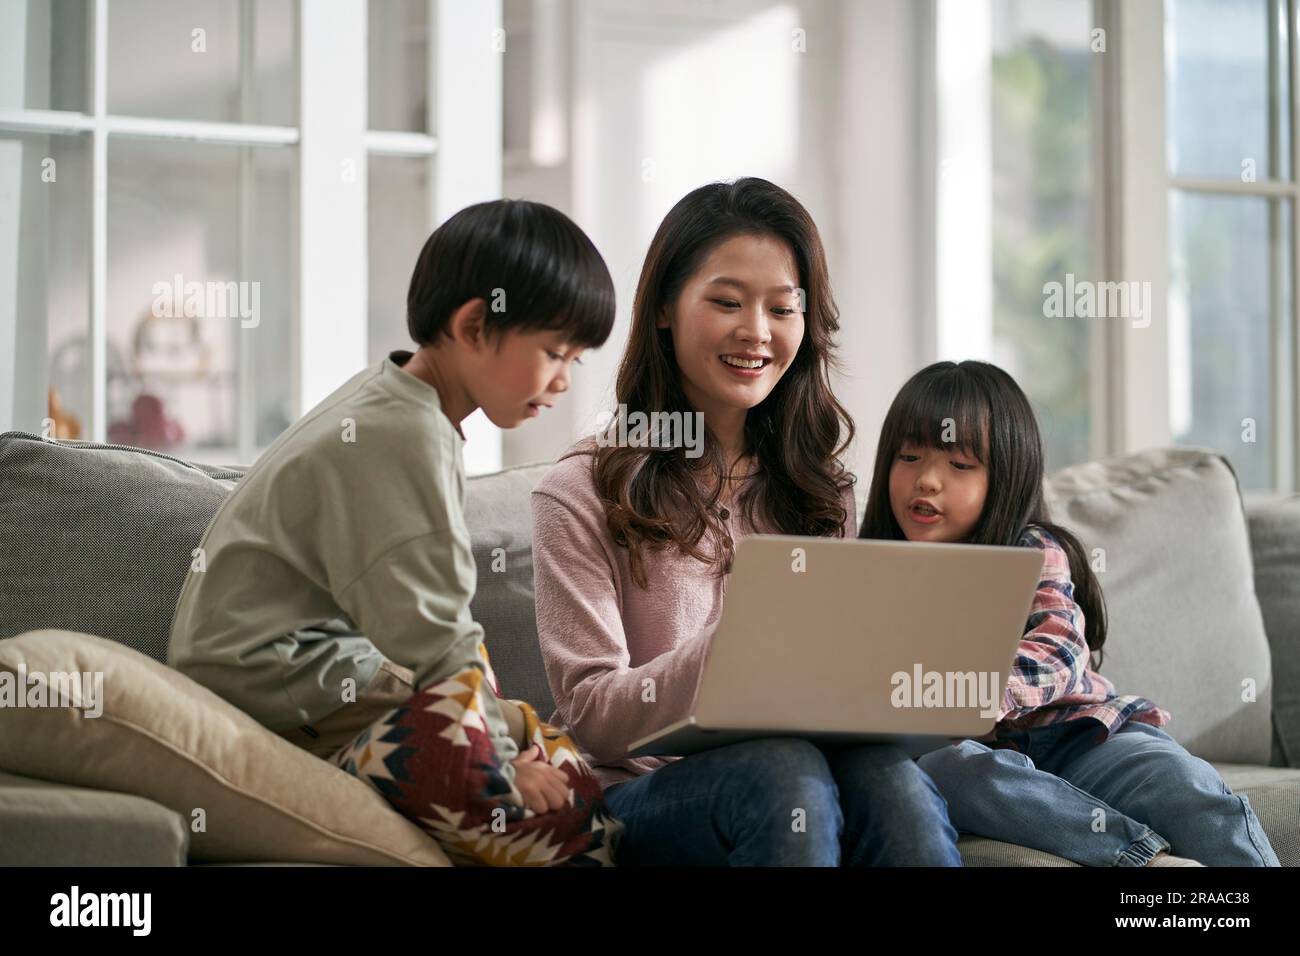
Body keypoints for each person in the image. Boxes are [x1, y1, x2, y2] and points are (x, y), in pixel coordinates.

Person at [169, 199, 623, 865]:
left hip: (321, 687)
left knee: (560, 760)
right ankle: (385, 765)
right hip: (276, 701)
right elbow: (436, 637)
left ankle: (447, 756)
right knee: (577, 817)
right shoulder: (401, 434)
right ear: (473, 325)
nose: (561, 381)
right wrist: (500, 764)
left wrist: (508, 734)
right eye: (554, 352)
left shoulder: (398, 402)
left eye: (575, 360)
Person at [531, 177, 963, 866]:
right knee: (780, 770)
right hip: (642, 794)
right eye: (727, 302)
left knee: (892, 781)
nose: (756, 333)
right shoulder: (581, 489)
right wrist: (737, 649)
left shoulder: (823, 491)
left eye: (782, 308)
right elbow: (592, 717)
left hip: (803, 770)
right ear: (666, 309)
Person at [860, 359, 1279, 867]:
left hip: (1082, 734)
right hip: (984, 759)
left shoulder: (1033, 550)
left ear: (1007, 476)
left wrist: (979, 694)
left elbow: (1059, 651)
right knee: (948, 772)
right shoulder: (872, 570)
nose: (926, 480)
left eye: (960, 466)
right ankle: (1144, 861)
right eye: (909, 457)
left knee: (1184, 783)